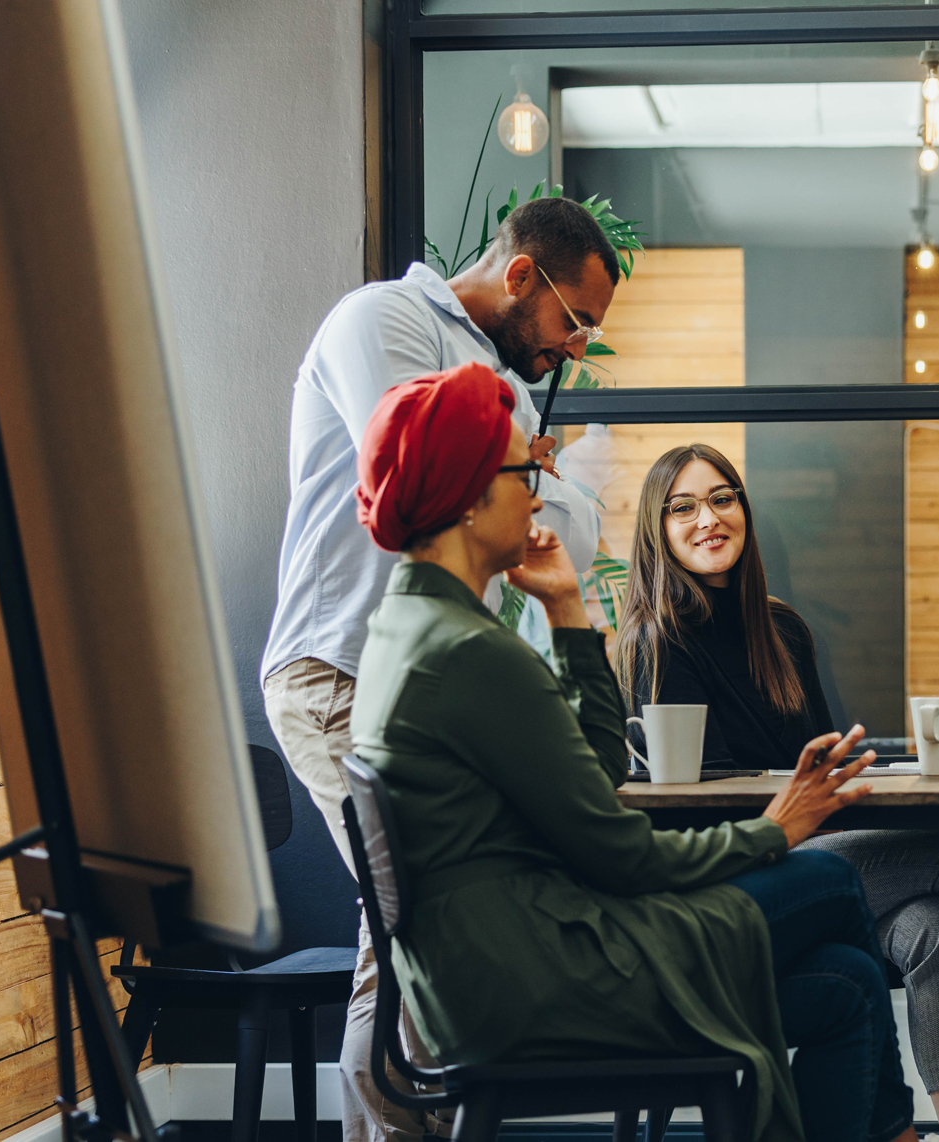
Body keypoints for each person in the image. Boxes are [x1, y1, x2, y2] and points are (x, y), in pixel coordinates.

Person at [348, 363, 917, 1142]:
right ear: (471, 497)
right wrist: (774, 830)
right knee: (824, 874)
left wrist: (568, 609)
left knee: (849, 985)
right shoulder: (468, 655)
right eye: (525, 471)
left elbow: (601, 770)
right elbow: (621, 855)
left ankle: (893, 1134)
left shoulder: (408, 631)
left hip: (486, 978)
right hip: (543, 978)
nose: (539, 492)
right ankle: (897, 1133)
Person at [616, 443, 939, 1142]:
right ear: (658, 530)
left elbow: (824, 773)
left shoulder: (781, 628)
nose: (708, 518)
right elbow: (706, 812)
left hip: (815, 860)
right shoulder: (658, 638)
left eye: (722, 499)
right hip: (736, 879)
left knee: (935, 931)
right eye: (683, 508)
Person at [260, 197, 618, 1141]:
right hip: (339, 672)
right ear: (519, 277)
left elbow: (569, 536)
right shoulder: (382, 321)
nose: (577, 348)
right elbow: (429, 479)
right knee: (418, 911)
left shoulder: (497, 378)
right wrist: (533, 476)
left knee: (427, 920)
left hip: (430, 692)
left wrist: (531, 479)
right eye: (574, 320)